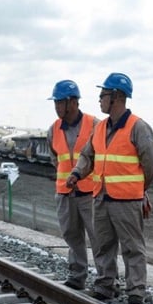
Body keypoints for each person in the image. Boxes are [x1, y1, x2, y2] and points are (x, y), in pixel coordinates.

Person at [67, 73, 153, 304]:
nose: (99, 100)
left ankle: (136, 291)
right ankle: (105, 285)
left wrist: (138, 189)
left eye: (103, 95)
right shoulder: (100, 129)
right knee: (103, 244)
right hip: (102, 197)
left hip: (127, 200)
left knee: (132, 247)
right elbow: (88, 155)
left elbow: (150, 164)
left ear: (116, 97)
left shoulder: (138, 127)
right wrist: (77, 173)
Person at [47, 79, 98, 290]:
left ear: (73, 102)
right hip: (65, 193)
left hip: (89, 192)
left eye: (60, 102)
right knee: (72, 235)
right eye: (56, 103)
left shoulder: (94, 124)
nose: (57, 107)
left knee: (98, 238)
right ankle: (77, 275)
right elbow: (55, 159)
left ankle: (107, 280)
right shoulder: (53, 129)